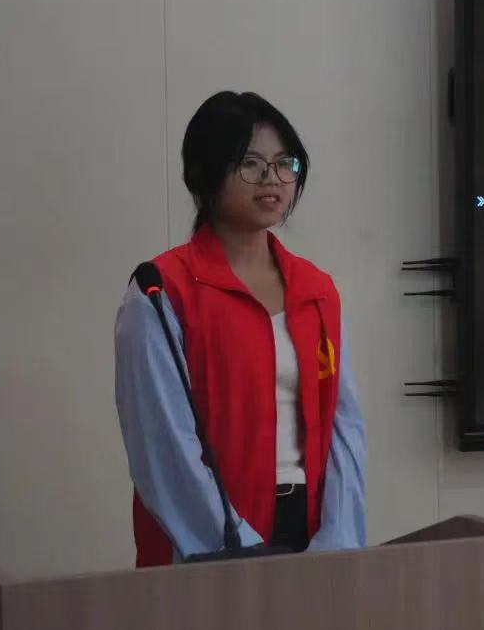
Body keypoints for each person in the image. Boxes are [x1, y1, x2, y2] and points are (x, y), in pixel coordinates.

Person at [114, 91, 366, 566]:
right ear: (205, 174)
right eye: (250, 163)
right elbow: (163, 447)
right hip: (207, 545)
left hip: (310, 531)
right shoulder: (161, 291)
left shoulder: (317, 291)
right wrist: (236, 546)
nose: (272, 179)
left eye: (284, 163)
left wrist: (337, 539)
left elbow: (344, 428)